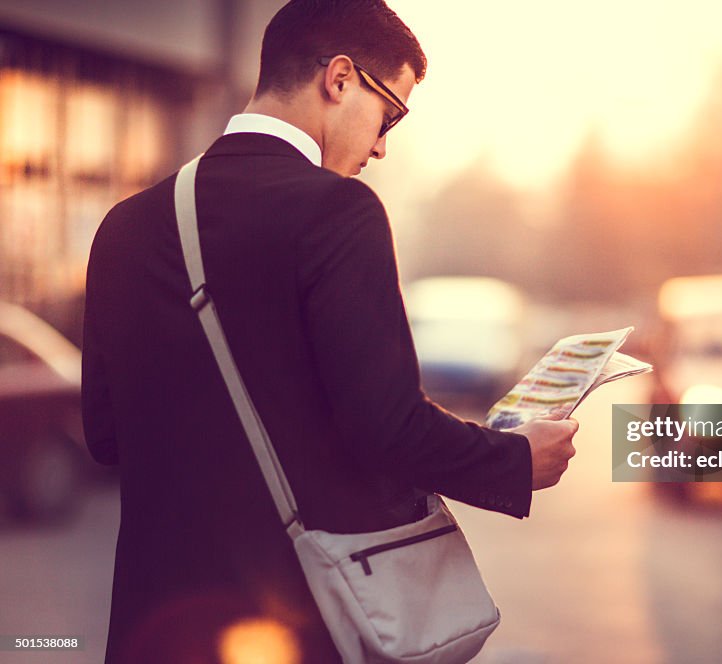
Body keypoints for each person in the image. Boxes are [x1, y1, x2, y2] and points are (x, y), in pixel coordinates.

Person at [81, 1, 579, 662]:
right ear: (340, 79)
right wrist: (516, 461)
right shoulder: (337, 212)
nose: (380, 144)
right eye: (390, 114)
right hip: (294, 622)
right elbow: (387, 427)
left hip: (154, 630)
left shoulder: (124, 227)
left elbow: (106, 434)